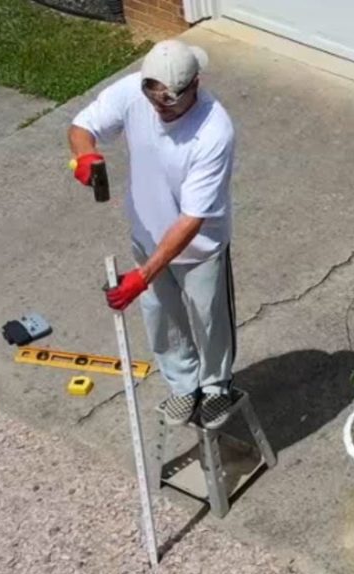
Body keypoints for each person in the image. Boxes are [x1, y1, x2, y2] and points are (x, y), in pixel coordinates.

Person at [68, 39, 238, 428]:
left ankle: (215, 387)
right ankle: (183, 386)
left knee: (209, 319)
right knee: (162, 317)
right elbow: (82, 126)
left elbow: (192, 220)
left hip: (199, 248)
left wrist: (141, 277)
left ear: (196, 83)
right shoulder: (133, 92)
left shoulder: (214, 131)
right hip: (146, 235)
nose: (161, 107)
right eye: (154, 96)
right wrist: (84, 155)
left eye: (171, 100)